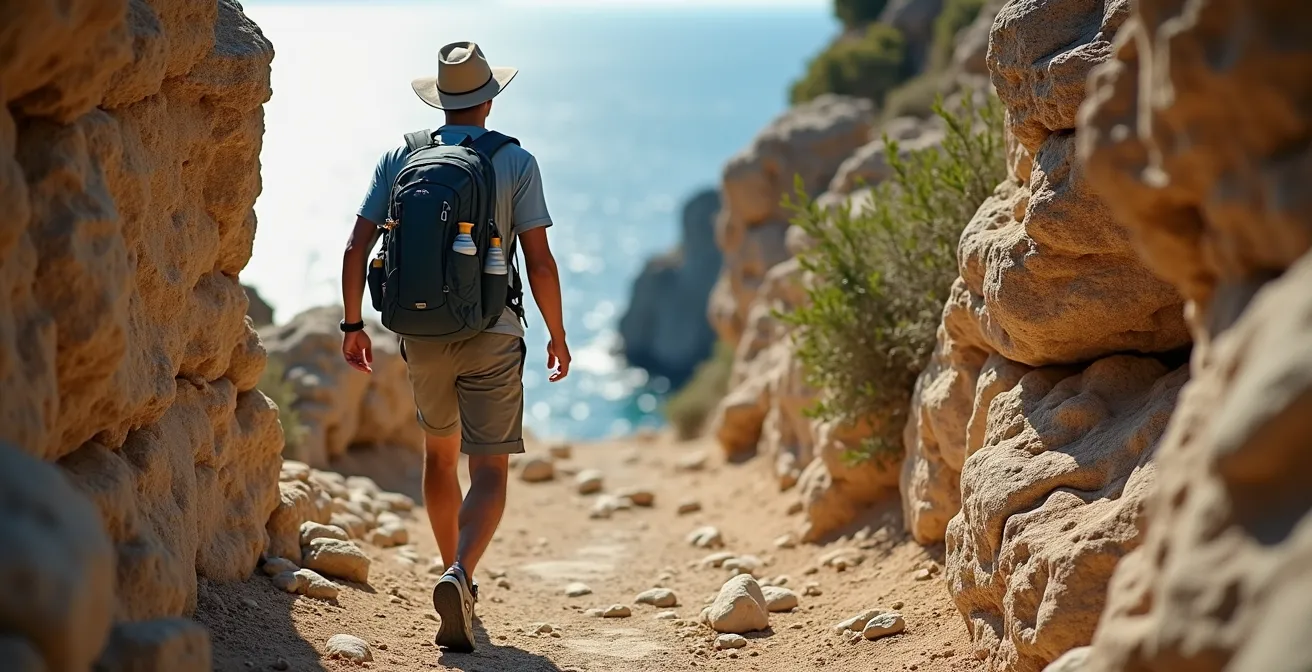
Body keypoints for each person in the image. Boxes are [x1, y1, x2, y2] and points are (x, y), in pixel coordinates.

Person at [338, 40, 570, 653]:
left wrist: (352, 325)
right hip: (493, 330)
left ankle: (451, 570)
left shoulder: (402, 155)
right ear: (490, 99)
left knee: (437, 458)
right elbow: (540, 262)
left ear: (441, 100)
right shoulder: (515, 161)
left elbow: (356, 249)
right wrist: (558, 335)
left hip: (421, 333)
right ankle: (462, 574)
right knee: (488, 468)